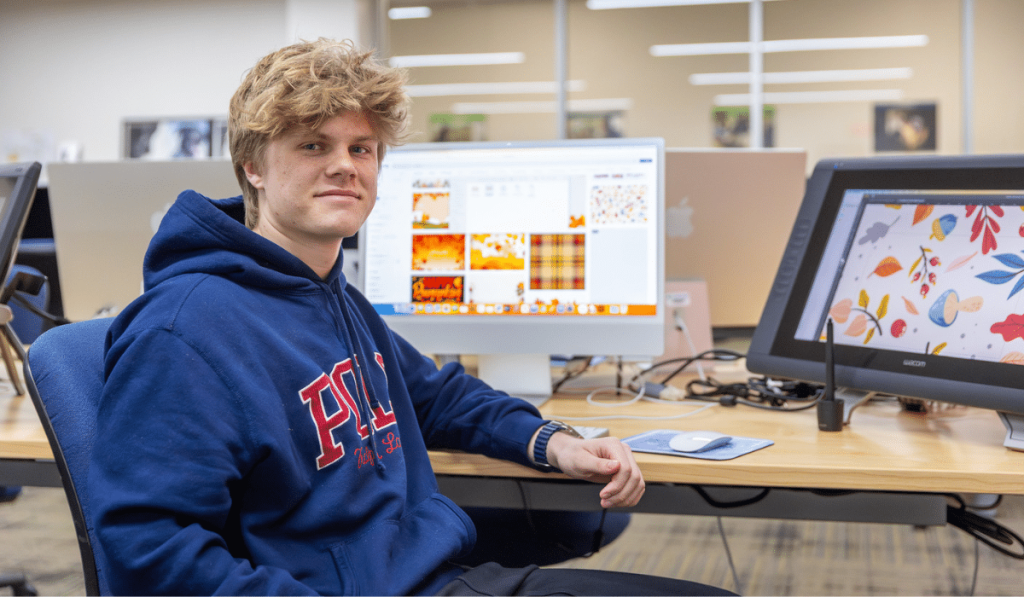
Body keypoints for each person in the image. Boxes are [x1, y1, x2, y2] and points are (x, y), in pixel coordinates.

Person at [89, 38, 732, 596]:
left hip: (424, 574)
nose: (345, 165)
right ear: (252, 166)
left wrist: (553, 442)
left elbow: (434, 396)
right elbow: (149, 550)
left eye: (362, 148)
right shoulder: (183, 331)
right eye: (313, 145)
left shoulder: (329, 296)